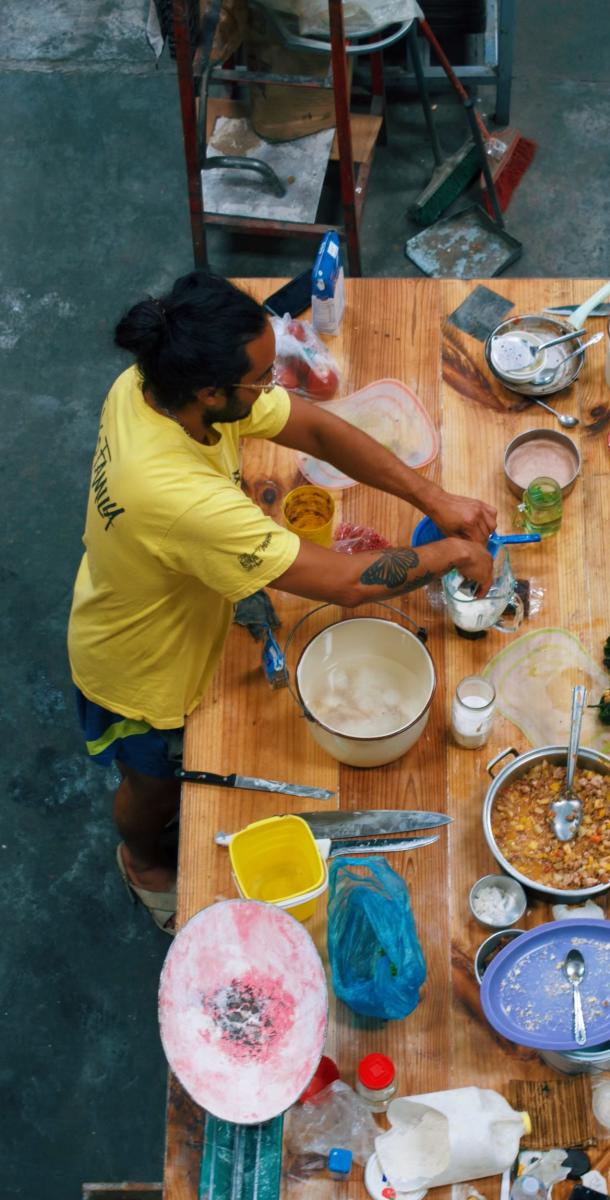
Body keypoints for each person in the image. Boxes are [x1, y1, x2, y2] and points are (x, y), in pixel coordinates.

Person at [68, 272, 496, 933]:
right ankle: (144, 862)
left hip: (161, 585)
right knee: (151, 783)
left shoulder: (153, 385)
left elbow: (318, 431)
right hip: (141, 664)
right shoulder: (176, 494)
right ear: (210, 393)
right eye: (262, 379)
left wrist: (437, 502)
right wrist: (452, 554)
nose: (275, 387)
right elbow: (350, 584)